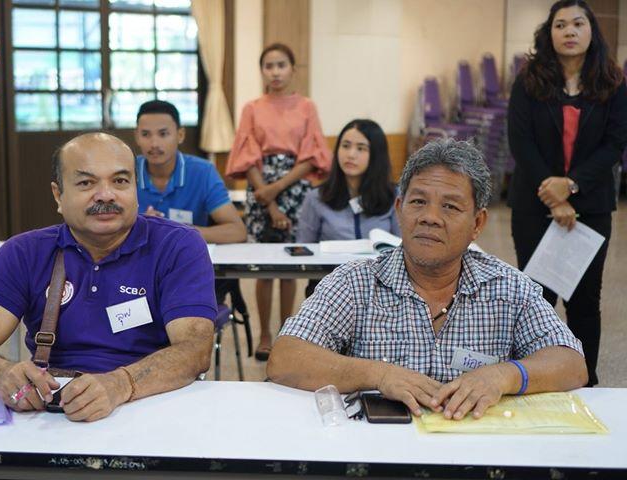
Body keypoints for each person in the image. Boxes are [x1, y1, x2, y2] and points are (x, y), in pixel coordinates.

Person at [268, 139, 587, 421]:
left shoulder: (508, 287)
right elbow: (285, 358)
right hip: (380, 455)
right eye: (418, 201)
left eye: (450, 206)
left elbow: (571, 363)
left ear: (477, 223)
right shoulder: (355, 283)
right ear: (399, 209)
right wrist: (378, 374)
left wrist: (504, 376)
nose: (430, 217)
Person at [0, 133, 216, 422]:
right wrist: (0, 373)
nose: (106, 195)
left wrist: (121, 384)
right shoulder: (24, 253)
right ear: (58, 195)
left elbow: (195, 350)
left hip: (152, 405)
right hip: (52, 413)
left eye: (120, 181)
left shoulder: (177, 246)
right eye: (86, 183)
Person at [508, 0, 627, 386]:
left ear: (592, 31)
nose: (570, 31)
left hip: (591, 206)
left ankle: (586, 382)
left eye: (578, 23)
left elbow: (614, 144)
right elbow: (520, 142)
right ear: (550, 33)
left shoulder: (613, 83)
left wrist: (571, 186)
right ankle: (533, 381)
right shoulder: (529, 80)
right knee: (536, 299)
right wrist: (555, 194)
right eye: (561, 25)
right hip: (534, 204)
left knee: (585, 301)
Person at [226, 43, 331, 361]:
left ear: (293, 69)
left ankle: (287, 332)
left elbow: (311, 155)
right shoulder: (252, 108)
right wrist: (268, 198)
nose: (275, 72)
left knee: (290, 265)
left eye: (281, 65)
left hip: (296, 186)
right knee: (263, 266)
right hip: (260, 186)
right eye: (269, 66)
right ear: (262, 71)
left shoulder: (307, 107)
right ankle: (264, 335)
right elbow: (247, 155)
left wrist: (278, 188)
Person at [297, 119, 400, 297]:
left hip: (381, 289)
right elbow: (303, 249)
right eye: (345, 146)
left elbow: (403, 247)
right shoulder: (316, 198)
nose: (351, 154)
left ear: (376, 155)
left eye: (361, 148)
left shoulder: (395, 197)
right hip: (330, 290)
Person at [134, 100, 246, 243]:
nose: (154, 144)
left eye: (163, 134)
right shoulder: (125, 171)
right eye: (145, 134)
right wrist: (139, 227)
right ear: (137, 136)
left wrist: (179, 232)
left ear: (180, 135)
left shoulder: (203, 172)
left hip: (186, 253)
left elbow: (237, 231)